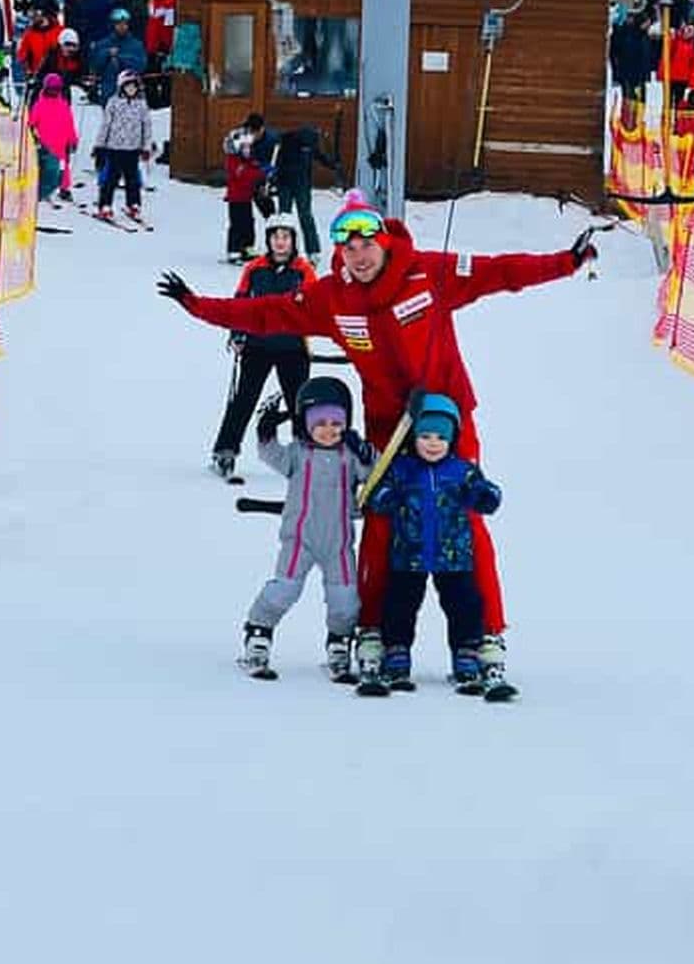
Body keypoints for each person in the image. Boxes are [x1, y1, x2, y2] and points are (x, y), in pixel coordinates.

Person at [157, 188, 598, 688]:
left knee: (465, 518)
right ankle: (373, 631)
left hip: (447, 420)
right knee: (382, 522)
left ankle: (486, 633)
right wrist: (198, 306)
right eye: (348, 248)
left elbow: (501, 272)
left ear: (384, 242)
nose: (359, 256)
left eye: (367, 244)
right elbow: (268, 313)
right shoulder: (332, 296)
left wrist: (566, 261)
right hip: (389, 429)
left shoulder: (428, 272)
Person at [237, 377, 376, 682]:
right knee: (284, 589)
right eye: (320, 423)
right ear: (305, 424)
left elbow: (374, 473)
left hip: (339, 543)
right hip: (299, 540)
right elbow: (272, 455)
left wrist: (366, 453)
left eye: (337, 422)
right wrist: (266, 432)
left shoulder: (349, 455)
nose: (329, 429)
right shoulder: (298, 454)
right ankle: (259, 631)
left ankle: (339, 642)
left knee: (346, 598)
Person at [367, 393, 503, 695]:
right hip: (408, 555)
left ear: (452, 438)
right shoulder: (402, 468)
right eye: (425, 435)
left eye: (441, 437)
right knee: (399, 606)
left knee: (464, 605)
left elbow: (486, 492)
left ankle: (466, 654)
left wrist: (485, 496)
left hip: (453, 556)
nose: (432, 443)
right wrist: (386, 498)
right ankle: (397, 652)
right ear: (413, 436)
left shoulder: (461, 470)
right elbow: (377, 494)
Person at [211, 213, 315, 480]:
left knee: (300, 404)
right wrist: (237, 334)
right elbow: (240, 304)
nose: (281, 243)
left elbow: (317, 305)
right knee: (243, 400)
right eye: (275, 237)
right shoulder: (254, 268)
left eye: (286, 237)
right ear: (268, 240)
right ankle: (225, 451)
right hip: (258, 345)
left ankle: (306, 456)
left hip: (293, 347)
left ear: (294, 241)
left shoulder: (303, 270)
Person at [93, 70, 152, 221]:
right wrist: (99, 145)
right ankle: (105, 205)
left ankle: (134, 204)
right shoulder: (113, 103)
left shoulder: (141, 105)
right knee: (110, 179)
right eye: (128, 86)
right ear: (121, 87)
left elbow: (146, 127)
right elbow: (105, 125)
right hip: (114, 148)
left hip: (133, 149)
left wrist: (146, 147)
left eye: (134, 87)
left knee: (132, 179)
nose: (131, 90)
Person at [275, 126, 338, 264]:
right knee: (294, 217)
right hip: (291, 183)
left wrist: (331, 164)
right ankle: (298, 250)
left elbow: (317, 155)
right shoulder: (292, 142)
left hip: (295, 184)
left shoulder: (307, 142)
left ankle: (305, 250)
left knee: (296, 217)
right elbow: (279, 163)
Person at [28, 73, 79, 202]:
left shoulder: (64, 105)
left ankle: (64, 188)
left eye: (56, 89)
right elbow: (32, 122)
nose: (53, 91)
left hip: (62, 143)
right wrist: (31, 135)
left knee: (63, 167)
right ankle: (41, 187)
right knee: (44, 166)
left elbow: (69, 123)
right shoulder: (39, 105)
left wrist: (73, 140)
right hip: (45, 144)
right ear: (45, 88)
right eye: (51, 89)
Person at [222, 125, 266, 263]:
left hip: (247, 197)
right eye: (244, 148)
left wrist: (263, 171)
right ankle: (233, 250)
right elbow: (244, 174)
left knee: (249, 222)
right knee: (237, 224)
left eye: (249, 147)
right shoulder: (233, 161)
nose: (248, 150)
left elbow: (253, 168)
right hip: (236, 198)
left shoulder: (247, 160)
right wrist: (259, 173)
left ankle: (247, 247)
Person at [90, 7, 147, 106]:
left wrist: (121, 58)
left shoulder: (136, 45)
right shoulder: (103, 44)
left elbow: (141, 65)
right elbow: (95, 65)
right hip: (109, 93)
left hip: (131, 94)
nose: (122, 27)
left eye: (125, 24)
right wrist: (107, 54)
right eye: (118, 24)